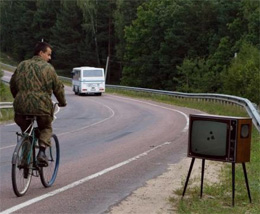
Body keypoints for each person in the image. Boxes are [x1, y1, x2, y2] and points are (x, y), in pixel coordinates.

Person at [10, 41, 67, 166]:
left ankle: (24, 160)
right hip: (42, 107)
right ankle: (41, 153)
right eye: (48, 54)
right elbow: (58, 88)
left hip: (21, 107)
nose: (49, 57)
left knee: (26, 132)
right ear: (41, 53)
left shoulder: (22, 65)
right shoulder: (48, 68)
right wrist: (62, 102)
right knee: (46, 127)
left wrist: (19, 98)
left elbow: (13, 84)